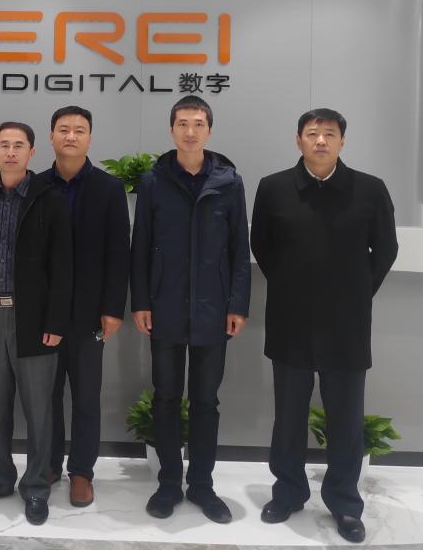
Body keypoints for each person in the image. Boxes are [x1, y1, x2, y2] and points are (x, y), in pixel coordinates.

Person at [251, 108, 398, 544]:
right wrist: (291, 287)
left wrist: (356, 293)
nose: (320, 141)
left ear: (342, 142)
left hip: (346, 323)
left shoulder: (369, 189)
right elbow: (262, 245)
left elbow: (385, 249)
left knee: (346, 420)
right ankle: (288, 494)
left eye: (329, 134)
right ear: (298, 139)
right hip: (289, 319)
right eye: (312, 133)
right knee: (288, 416)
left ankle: (345, 504)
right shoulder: (273, 188)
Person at [130, 95, 250, 524]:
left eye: (198, 123)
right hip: (164, 306)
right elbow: (140, 246)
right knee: (165, 398)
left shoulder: (229, 182)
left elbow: (239, 250)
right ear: (171, 130)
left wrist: (237, 304)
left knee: (205, 401)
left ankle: (201, 484)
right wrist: (141, 302)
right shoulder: (154, 181)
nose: (190, 131)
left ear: (209, 130)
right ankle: (168, 483)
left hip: (213, 310)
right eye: (182, 123)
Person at [0, 121, 72, 526]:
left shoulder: (49, 199)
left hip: (35, 319)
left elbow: (63, 266)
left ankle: (37, 486)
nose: (11, 152)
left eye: (19, 145)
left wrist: (56, 320)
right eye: (4, 145)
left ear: (31, 153)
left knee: (39, 409)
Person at [39, 106, 130, 508]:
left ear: (90, 138)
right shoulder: (36, 185)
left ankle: (81, 471)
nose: (71, 136)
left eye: (79, 130)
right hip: (45, 314)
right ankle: (48, 464)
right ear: (51, 137)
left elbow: (119, 253)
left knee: (87, 397)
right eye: (64, 129)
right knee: (46, 396)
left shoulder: (109, 188)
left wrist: (113, 309)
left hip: (90, 313)